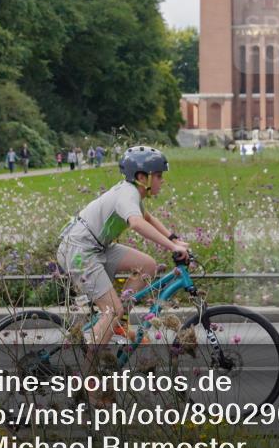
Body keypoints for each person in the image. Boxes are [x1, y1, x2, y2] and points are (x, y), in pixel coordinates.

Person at [56, 146, 189, 351]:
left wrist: (174, 239)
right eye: (159, 175)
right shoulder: (127, 194)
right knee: (111, 311)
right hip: (79, 252)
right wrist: (172, 247)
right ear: (142, 177)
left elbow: (147, 218)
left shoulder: (133, 192)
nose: (162, 180)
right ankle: (86, 377)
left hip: (95, 247)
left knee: (148, 265)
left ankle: (120, 323)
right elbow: (136, 223)